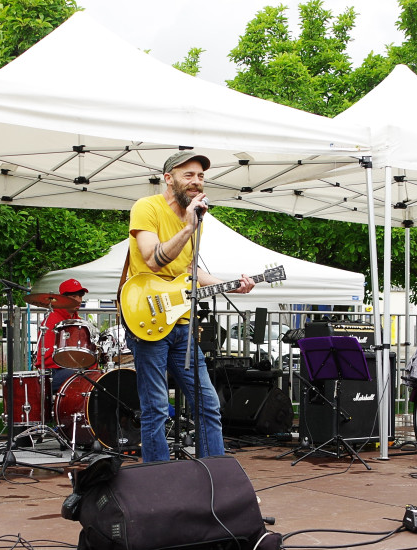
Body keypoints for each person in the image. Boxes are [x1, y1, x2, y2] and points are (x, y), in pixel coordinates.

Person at [125, 151, 254, 462]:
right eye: (189, 175)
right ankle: (160, 480)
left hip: (183, 324)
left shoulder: (196, 219)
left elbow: (189, 272)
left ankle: (216, 477)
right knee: (156, 407)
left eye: (200, 176)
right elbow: (154, 260)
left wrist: (229, 284)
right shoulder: (147, 208)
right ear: (169, 179)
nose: (197, 181)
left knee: (208, 404)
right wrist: (188, 228)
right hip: (148, 319)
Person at [35, 278, 96, 393]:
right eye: (74, 297)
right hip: (52, 373)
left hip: (70, 369)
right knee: (86, 375)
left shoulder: (77, 321)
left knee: (98, 375)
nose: (78, 300)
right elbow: (47, 359)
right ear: (62, 299)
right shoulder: (52, 320)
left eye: (80, 296)